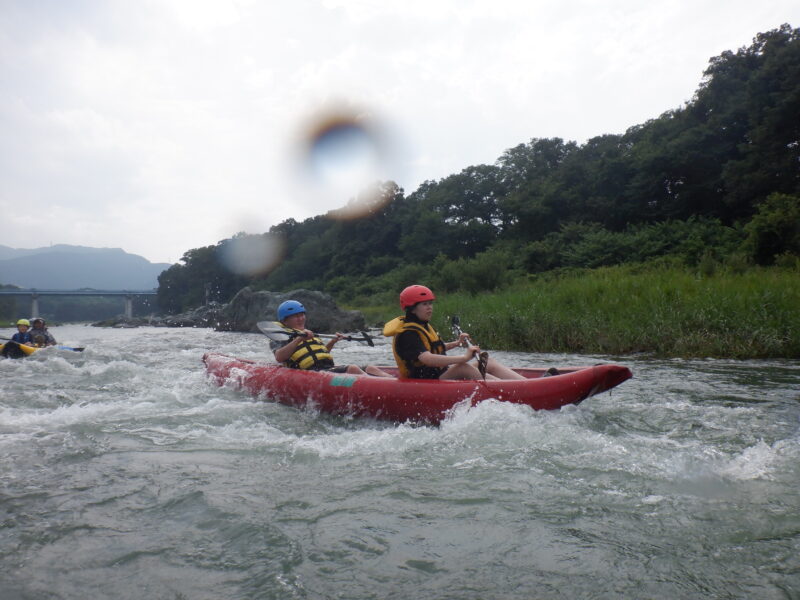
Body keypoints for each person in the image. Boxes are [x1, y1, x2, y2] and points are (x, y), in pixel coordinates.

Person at [383, 285, 526, 380]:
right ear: (412, 308)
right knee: (463, 367)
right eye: (424, 304)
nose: (430, 308)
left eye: (430, 303)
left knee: (489, 362)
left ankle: (524, 384)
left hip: (438, 374)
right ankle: (509, 390)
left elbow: (435, 348)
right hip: (423, 381)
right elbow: (427, 358)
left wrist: (457, 343)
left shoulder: (422, 326)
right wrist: (463, 358)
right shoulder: (408, 334)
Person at [270, 300, 392, 377]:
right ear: (284, 321)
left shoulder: (308, 334)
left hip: (325, 368)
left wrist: (333, 342)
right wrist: (298, 339)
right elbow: (279, 357)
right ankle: (379, 389)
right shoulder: (281, 336)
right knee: (353, 368)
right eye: (296, 316)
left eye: (302, 315)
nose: (301, 318)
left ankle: (393, 383)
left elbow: (319, 355)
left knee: (370, 367)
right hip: (310, 373)